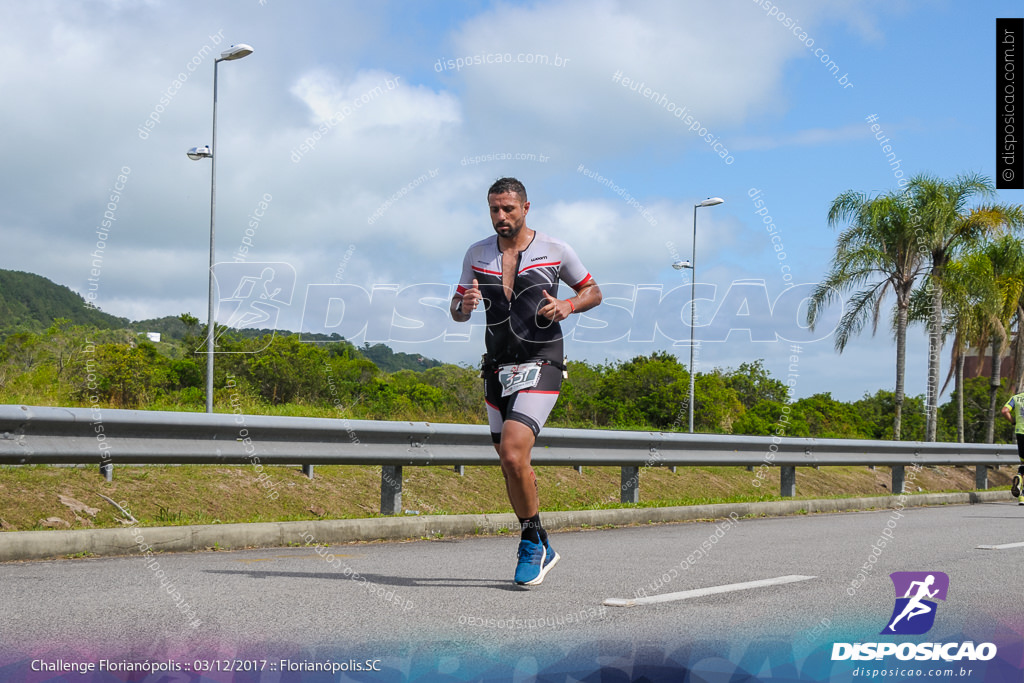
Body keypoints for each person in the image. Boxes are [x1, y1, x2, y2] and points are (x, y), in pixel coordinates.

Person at [451, 177, 602, 586]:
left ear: (526, 208)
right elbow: (457, 308)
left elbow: (593, 291)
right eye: (494, 210)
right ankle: (540, 537)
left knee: (515, 455)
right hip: (497, 367)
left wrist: (569, 304)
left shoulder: (555, 249)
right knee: (509, 464)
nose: (501, 217)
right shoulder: (477, 253)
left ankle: (531, 543)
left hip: (543, 359)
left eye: (508, 209)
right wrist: (463, 305)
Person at [1000, 392, 1024, 505]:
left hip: (1020, 433)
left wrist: (1013, 421)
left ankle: (1019, 477)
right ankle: (1023, 495)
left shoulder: (1016, 398)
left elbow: (1005, 411)